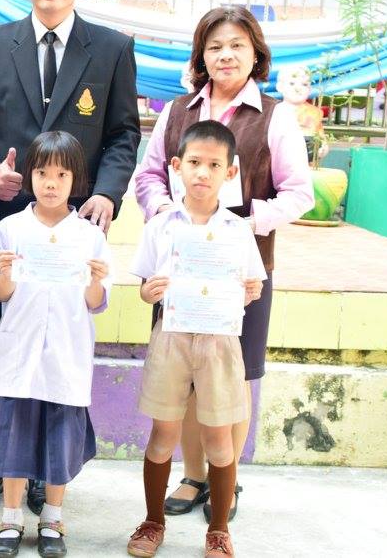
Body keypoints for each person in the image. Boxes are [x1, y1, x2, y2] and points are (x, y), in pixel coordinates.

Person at [0, 0, 140, 516]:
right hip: (10, 226)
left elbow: (123, 134)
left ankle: (43, 471)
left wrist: (107, 192)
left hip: (74, 230)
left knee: (59, 349)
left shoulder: (111, 48)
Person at [133, 5, 313, 520]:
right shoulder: (177, 111)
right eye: (214, 47)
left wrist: (244, 223)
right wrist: (167, 215)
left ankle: (224, 481)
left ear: (256, 54)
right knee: (187, 376)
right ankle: (194, 478)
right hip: (178, 270)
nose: (226, 55)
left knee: (233, 378)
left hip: (241, 271)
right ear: (201, 56)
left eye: (237, 45)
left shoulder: (275, 116)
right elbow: (148, 177)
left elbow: (298, 192)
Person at [126, 121, 265, 558]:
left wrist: (248, 291)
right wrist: (149, 292)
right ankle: (153, 521)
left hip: (220, 341)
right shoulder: (161, 225)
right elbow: (145, 286)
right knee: (162, 434)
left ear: (230, 172)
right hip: (172, 337)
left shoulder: (238, 230)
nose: (203, 173)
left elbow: (252, 286)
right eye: (194, 163)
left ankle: (218, 530)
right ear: (176, 166)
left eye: (214, 165)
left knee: (219, 440)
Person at [0, 130, 111, 558]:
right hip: (19, 352)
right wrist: (6, 273)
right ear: (29, 175)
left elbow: (95, 302)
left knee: (59, 439)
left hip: (66, 354)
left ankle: (52, 518)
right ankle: (11, 518)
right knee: (14, 436)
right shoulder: (11, 228)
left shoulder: (89, 236)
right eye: (43, 173)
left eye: (62, 175)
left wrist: (95, 281)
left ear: (77, 180)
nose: (51, 183)